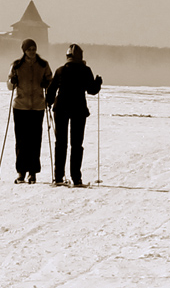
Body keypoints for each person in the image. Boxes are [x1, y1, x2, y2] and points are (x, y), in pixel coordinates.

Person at [46, 43, 102, 186]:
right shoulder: (85, 70)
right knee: (76, 144)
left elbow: (51, 91)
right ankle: (76, 178)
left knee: (61, 143)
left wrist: (48, 102)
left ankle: (58, 177)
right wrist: (98, 83)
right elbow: (92, 90)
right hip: (78, 109)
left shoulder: (60, 70)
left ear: (67, 56)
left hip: (61, 108)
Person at [7, 38, 52, 184]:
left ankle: (32, 172)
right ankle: (21, 172)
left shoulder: (43, 65)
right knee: (21, 141)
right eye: (29, 49)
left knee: (35, 140)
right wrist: (12, 81)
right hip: (20, 106)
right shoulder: (17, 65)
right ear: (24, 51)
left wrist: (47, 84)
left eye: (34, 49)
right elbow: (9, 85)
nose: (32, 52)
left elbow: (50, 82)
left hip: (38, 106)